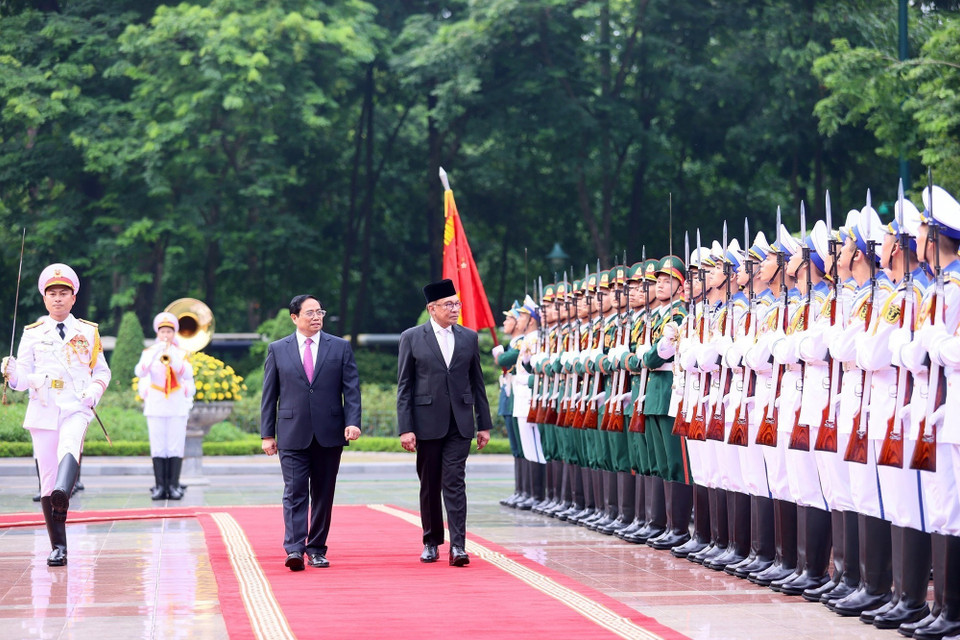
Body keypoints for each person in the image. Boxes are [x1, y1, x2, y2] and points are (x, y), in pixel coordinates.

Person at [1, 263, 111, 566]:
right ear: (44, 298)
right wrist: (11, 373)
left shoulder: (88, 331)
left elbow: (101, 371)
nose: (58, 298)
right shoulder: (32, 333)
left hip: (76, 405)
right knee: (47, 479)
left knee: (69, 448)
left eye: (64, 293)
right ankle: (58, 546)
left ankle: (65, 490)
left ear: (73, 298)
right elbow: (23, 379)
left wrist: (93, 393)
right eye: (52, 293)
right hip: (44, 407)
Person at [260, 294, 362, 572]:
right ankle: (294, 549)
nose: (317, 317)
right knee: (294, 493)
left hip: (329, 434)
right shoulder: (278, 349)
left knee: (323, 494)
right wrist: (267, 435)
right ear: (295, 318)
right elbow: (269, 396)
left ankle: (316, 549)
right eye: (310, 313)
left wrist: (353, 422)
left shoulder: (339, 347)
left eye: (320, 312)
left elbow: (351, 389)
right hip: (292, 433)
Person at [397, 279, 493, 567]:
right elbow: (404, 386)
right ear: (432, 308)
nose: (455, 309)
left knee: (455, 481)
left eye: (457, 304)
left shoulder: (468, 337)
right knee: (429, 484)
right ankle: (431, 541)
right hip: (426, 423)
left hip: (460, 423)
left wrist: (484, 424)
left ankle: (459, 545)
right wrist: (406, 427)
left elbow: (478, 383)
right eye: (449, 305)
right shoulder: (412, 337)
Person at [135, 312, 196, 501]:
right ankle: (160, 486)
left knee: (175, 446)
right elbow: (140, 371)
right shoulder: (149, 353)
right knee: (158, 446)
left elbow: (186, 374)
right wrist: (155, 352)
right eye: (162, 331)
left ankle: (173, 485)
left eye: (169, 331)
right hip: (156, 403)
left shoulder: (181, 353)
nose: (166, 335)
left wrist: (172, 355)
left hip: (176, 403)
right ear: (157, 333)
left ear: (174, 333)